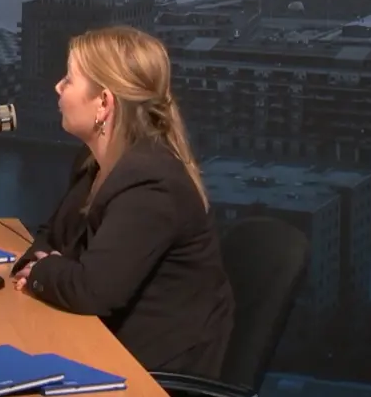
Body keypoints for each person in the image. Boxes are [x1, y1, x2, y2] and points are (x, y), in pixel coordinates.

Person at [12, 25, 235, 378]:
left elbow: (93, 289)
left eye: (69, 79)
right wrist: (45, 265)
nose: (58, 86)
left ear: (104, 102)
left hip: (149, 373)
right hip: (97, 344)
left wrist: (42, 271)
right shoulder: (93, 164)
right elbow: (52, 238)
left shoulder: (152, 183)